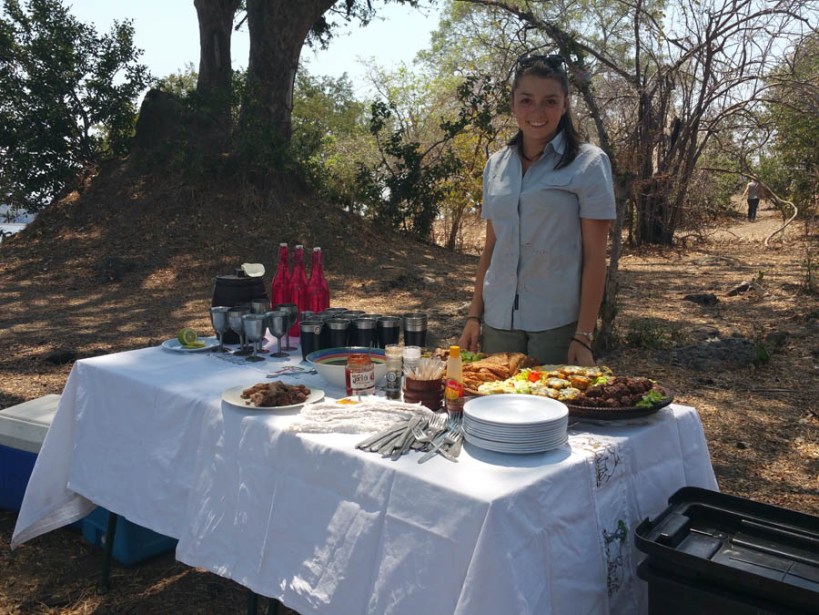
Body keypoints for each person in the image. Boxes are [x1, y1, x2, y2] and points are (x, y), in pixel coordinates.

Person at [458, 54, 616, 367]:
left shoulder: (588, 163)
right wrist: (474, 316)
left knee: (554, 412)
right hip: (498, 322)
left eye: (550, 101)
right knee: (496, 410)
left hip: (557, 327)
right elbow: (491, 249)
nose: (537, 112)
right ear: (513, 104)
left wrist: (583, 335)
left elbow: (596, 257)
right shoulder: (496, 165)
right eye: (526, 100)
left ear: (566, 104)